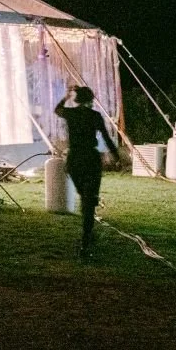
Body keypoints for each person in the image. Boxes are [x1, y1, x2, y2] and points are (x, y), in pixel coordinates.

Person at [55, 85, 120, 257]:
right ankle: (86, 236)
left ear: (77, 100)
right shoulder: (95, 116)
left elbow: (57, 110)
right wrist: (116, 156)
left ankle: (87, 232)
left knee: (84, 196)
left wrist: (66, 96)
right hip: (90, 159)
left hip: (75, 159)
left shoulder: (71, 114)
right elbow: (106, 137)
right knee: (89, 199)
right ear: (91, 100)